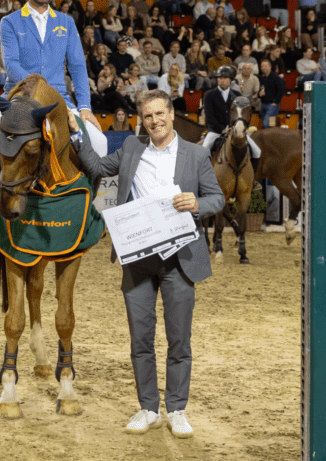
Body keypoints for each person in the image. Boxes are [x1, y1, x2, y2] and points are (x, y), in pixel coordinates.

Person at [68, 89, 224, 439]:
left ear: (171, 114)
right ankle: (149, 408)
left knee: (179, 340)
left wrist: (197, 204)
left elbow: (217, 198)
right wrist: (76, 133)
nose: (154, 121)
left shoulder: (197, 154)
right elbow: (96, 166)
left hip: (179, 259)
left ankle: (177, 409)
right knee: (140, 339)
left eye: (159, 114)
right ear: (142, 120)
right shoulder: (131, 147)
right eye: (148, 116)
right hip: (137, 259)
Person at [0, 0, 107, 196]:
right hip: (18, 99)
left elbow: (78, 66)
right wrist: (40, 89)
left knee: (100, 142)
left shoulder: (66, 22)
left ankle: (88, 205)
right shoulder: (9, 22)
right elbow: (11, 65)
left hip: (60, 100)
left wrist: (85, 107)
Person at [201, 65, 261, 167]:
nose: (222, 80)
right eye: (220, 78)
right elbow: (209, 116)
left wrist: (239, 128)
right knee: (203, 152)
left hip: (235, 130)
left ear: (230, 80)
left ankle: (252, 176)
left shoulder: (237, 95)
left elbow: (242, 114)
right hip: (215, 131)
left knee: (257, 151)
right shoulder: (209, 95)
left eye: (225, 78)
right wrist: (222, 130)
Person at [257, 59, 285, 128]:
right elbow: (260, 92)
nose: (263, 68)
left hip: (272, 105)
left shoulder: (276, 77)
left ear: (270, 67)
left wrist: (275, 102)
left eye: (265, 66)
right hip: (263, 105)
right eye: (262, 66)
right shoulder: (262, 78)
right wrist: (260, 94)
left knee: (266, 124)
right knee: (270, 125)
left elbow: (281, 90)